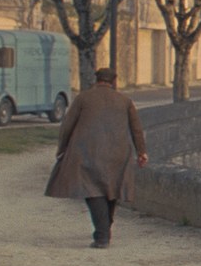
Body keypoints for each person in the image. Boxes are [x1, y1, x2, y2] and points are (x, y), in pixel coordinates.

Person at [45, 68, 148, 248]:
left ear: (96, 80)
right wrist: (141, 152)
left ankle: (102, 235)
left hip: (88, 151)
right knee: (111, 189)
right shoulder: (125, 101)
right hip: (118, 153)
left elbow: (67, 126)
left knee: (93, 190)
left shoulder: (83, 98)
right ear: (114, 81)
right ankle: (105, 228)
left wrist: (62, 148)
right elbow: (136, 129)